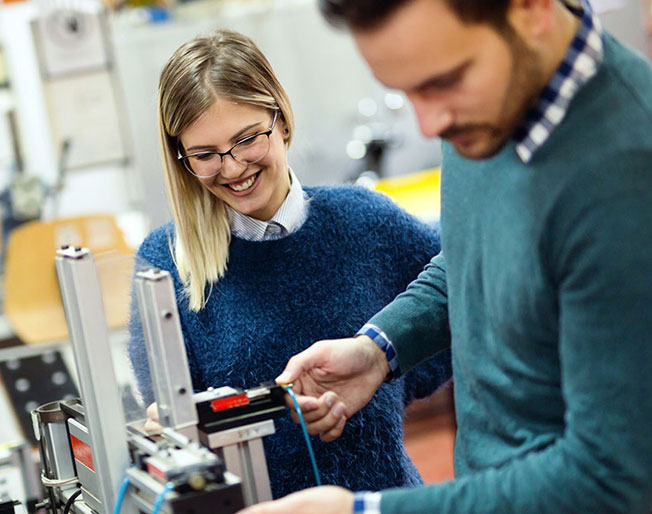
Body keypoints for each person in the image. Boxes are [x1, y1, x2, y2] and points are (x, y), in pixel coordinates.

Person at [239, 0, 652, 513]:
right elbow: (470, 256)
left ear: (532, 9)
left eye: (442, 82)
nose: (429, 124)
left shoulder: (626, 179)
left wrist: (364, 511)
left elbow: (611, 479)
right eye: (407, 91)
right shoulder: (490, 104)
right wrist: (378, 349)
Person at [127, 29, 453, 500]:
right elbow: (169, 423)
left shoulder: (365, 220)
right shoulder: (164, 264)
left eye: (246, 139)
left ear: (280, 119)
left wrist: (382, 372)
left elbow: (458, 299)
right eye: (205, 155)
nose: (234, 167)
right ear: (182, 160)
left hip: (377, 504)